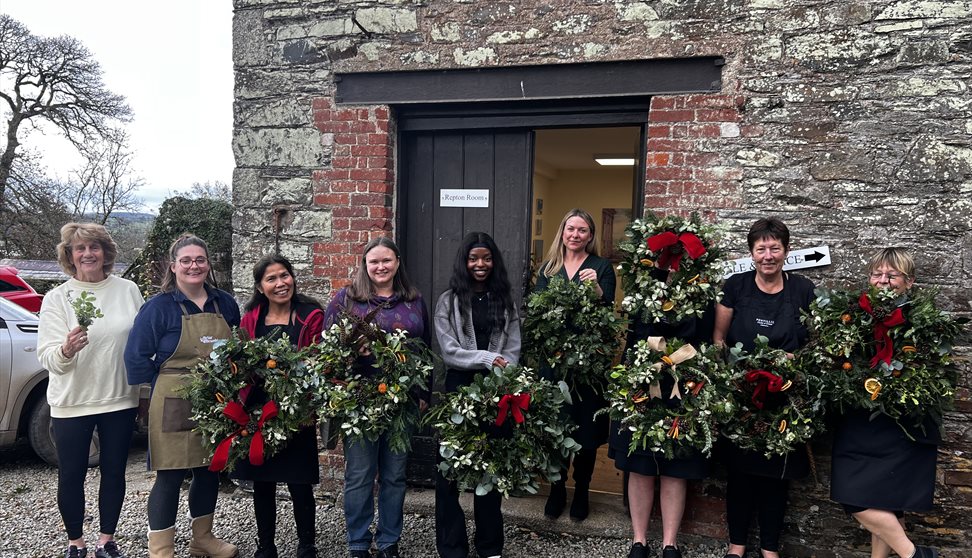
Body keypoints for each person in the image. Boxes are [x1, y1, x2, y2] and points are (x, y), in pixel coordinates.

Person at [125, 234, 240, 558]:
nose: (194, 266)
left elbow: (239, 348)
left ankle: (202, 539)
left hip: (215, 397)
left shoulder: (225, 303)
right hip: (172, 397)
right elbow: (136, 357)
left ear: (208, 265)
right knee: (170, 473)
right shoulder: (158, 308)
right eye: (186, 260)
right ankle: (161, 550)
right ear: (173, 266)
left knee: (208, 469)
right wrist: (163, 384)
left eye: (200, 260)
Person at [37, 223, 144, 558]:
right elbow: (47, 357)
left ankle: (106, 540)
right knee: (72, 474)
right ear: (70, 256)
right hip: (72, 401)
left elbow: (141, 346)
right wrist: (66, 351)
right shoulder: (57, 298)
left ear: (105, 252)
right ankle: (75, 543)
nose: (87, 254)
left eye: (94, 247)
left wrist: (143, 393)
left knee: (114, 471)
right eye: (79, 249)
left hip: (119, 398)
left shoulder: (128, 290)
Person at [712, 217, 815, 558]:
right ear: (751, 252)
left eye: (775, 248)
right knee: (739, 475)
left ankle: (770, 548)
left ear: (786, 251)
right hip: (742, 400)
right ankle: (736, 546)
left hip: (784, 401)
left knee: (776, 477)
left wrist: (794, 364)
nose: (768, 255)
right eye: (761, 249)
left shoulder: (802, 289)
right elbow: (719, 339)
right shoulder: (736, 286)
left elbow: (816, 343)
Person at [324, 236, 431, 558]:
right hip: (360, 400)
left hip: (402, 401)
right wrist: (346, 364)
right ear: (365, 265)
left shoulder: (413, 300)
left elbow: (425, 347)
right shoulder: (347, 299)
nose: (381, 266)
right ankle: (358, 541)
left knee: (395, 475)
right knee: (359, 474)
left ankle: (388, 542)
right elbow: (326, 348)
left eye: (387, 260)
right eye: (374, 262)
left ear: (397, 262)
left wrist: (423, 390)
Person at [830, 248, 940, 558]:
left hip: (901, 421)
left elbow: (930, 367)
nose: (883, 281)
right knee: (852, 495)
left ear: (909, 281)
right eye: (877, 274)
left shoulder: (923, 320)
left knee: (887, 500)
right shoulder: (853, 314)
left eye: (892, 276)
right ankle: (915, 555)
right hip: (860, 419)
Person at [433, 232, 521, 558]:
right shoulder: (449, 301)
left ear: (493, 261)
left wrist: (501, 371)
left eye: (486, 258)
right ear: (464, 262)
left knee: (490, 471)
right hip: (459, 390)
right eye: (473, 258)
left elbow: (512, 349)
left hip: (497, 393)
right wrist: (485, 357)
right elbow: (450, 351)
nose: (480, 264)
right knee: (449, 474)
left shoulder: (505, 301)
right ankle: (451, 546)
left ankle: (489, 545)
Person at [235, 255, 324, 558]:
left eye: (284, 276)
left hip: (296, 408)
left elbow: (316, 360)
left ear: (293, 278)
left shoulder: (310, 315)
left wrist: (306, 403)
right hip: (259, 409)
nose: (280, 283)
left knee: (299, 481)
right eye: (271, 279)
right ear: (260, 287)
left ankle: (307, 544)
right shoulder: (251, 318)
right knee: (263, 481)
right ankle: (266, 545)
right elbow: (242, 360)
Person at [612, 300, 715, 558]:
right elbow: (635, 333)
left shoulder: (698, 286)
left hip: (686, 381)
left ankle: (671, 543)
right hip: (643, 378)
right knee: (640, 465)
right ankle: (639, 541)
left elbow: (705, 340)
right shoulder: (644, 286)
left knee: (675, 468)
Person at [535, 208, 616, 522]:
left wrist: (595, 288)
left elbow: (606, 309)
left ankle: (582, 488)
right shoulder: (549, 267)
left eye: (582, 230)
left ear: (590, 236)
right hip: (554, 363)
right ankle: (557, 488)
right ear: (562, 232)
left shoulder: (600, 267)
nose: (576, 235)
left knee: (585, 430)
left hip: (586, 364)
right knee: (556, 427)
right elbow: (540, 312)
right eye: (571, 229)